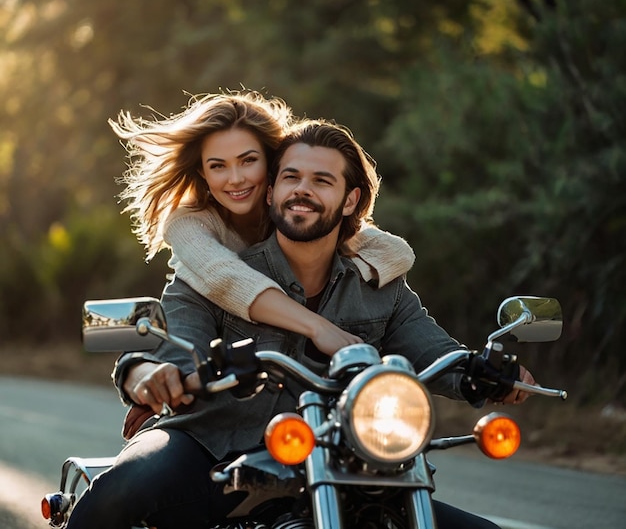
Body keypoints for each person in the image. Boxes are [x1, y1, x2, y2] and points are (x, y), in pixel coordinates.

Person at [67, 119, 535, 529]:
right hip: (209, 448)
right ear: (271, 192)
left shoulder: (379, 284)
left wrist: (488, 372)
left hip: (336, 458)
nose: (302, 190)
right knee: (121, 490)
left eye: (321, 180)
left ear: (351, 201)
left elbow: (436, 353)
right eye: (290, 177)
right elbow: (171, 348)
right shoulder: (213, 275)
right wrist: (155, 374)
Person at [109, 90, 415, 357]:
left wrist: (368, 276)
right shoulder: (189, 224)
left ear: (272, 161)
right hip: (208, 332)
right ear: (203, 172)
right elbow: (223, 278)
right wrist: (318, 327)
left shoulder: (298, 213)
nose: (236, 179)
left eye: (248, 160)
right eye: (218, 166)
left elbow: (391, 251)